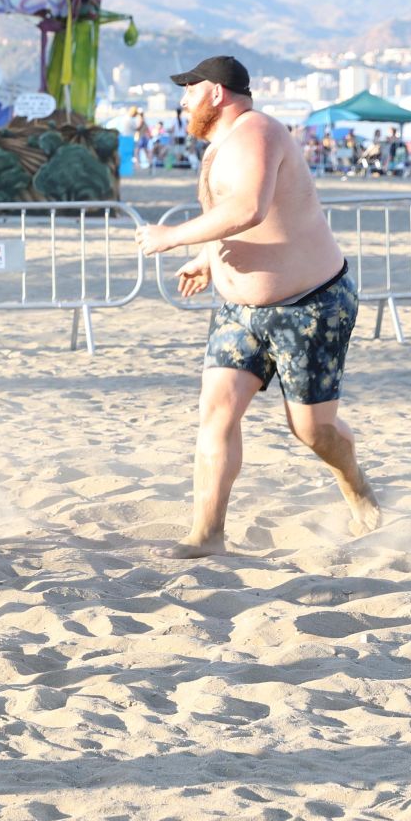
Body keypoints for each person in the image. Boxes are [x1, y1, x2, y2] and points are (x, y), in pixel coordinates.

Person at [138, 55, 382, 557]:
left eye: (189, 89)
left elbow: (248, 206)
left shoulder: (257, 133)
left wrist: (173, 237)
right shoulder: (220, 146)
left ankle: (358, 490)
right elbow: (238, 216)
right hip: (237, 310)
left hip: (309, 305)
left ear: (216, 94)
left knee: (312, 430)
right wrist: (208, 258)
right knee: (217, 414)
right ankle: (206, 537)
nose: (182, 100)